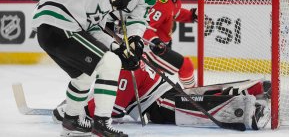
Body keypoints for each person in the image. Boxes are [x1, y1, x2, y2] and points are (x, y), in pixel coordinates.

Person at [32, 0, 133, 136]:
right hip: (59, 25)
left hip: (55, 31)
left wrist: (116, 47)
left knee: (85, 74)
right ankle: (101, 123)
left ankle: (72, 120)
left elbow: (93, 28)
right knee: (110, 63)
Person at [53, 55, 271, 130]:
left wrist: (75, 110)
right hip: (167, 89)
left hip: (156, 105)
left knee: (197, 105)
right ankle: (256, 88)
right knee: (198, 96)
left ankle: (246, 111)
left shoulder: (123, 70)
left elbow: (113, 109)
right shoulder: (125, 61)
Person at [143, 0, 197, 89]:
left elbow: (175, 13)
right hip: (151, 49)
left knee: (152, 82)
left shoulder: (175, 2)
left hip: (160, 47)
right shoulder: (162, 2)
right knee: (186, 66)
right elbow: (145, 28)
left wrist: (191, 15)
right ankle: (193, 94)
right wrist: (155, 42)